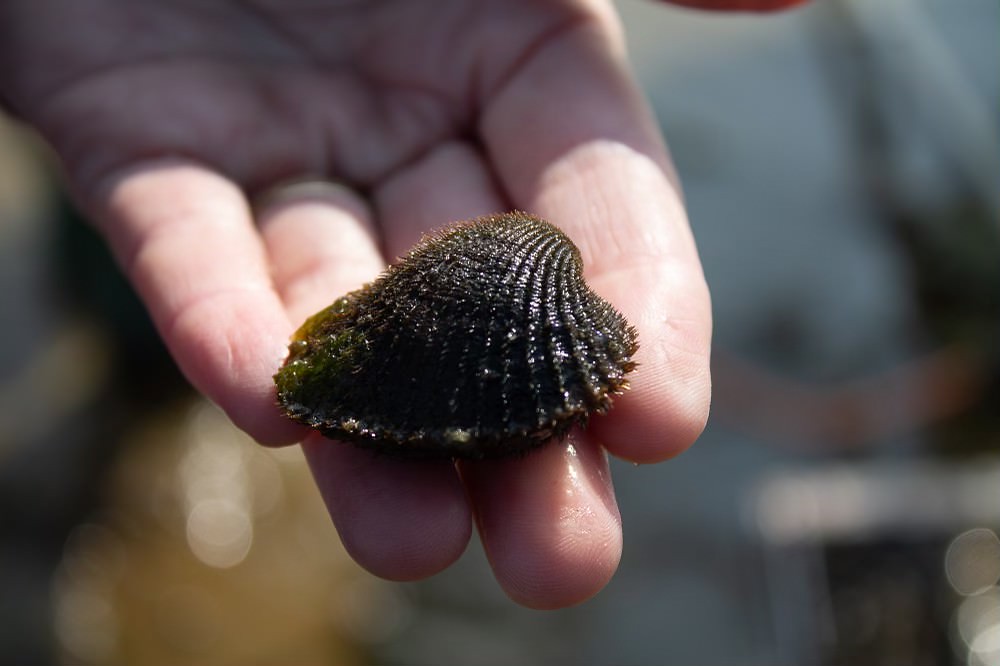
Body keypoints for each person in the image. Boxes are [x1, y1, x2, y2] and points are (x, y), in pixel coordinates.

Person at [0, 0, 801, 609]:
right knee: (149, 288)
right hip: (128, 95)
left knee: (165, 308)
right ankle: (134, 379)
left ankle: (136, 387)